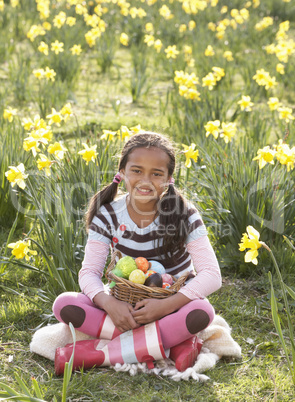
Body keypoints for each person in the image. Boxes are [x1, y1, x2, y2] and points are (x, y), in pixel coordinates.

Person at [53, 132, 222, 375]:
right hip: (127, 307)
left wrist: (166, 307)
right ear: (121, 172)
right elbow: (89, 272)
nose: (145, 180)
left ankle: (98, 354)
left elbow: (212, 275)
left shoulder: (184, 213)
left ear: (169, 178)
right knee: (65, 304)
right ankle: (172, 345)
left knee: (202, 312)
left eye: (156, 173)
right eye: (137, 170)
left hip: (172, 306)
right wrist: (109, 303)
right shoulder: (108, 215)